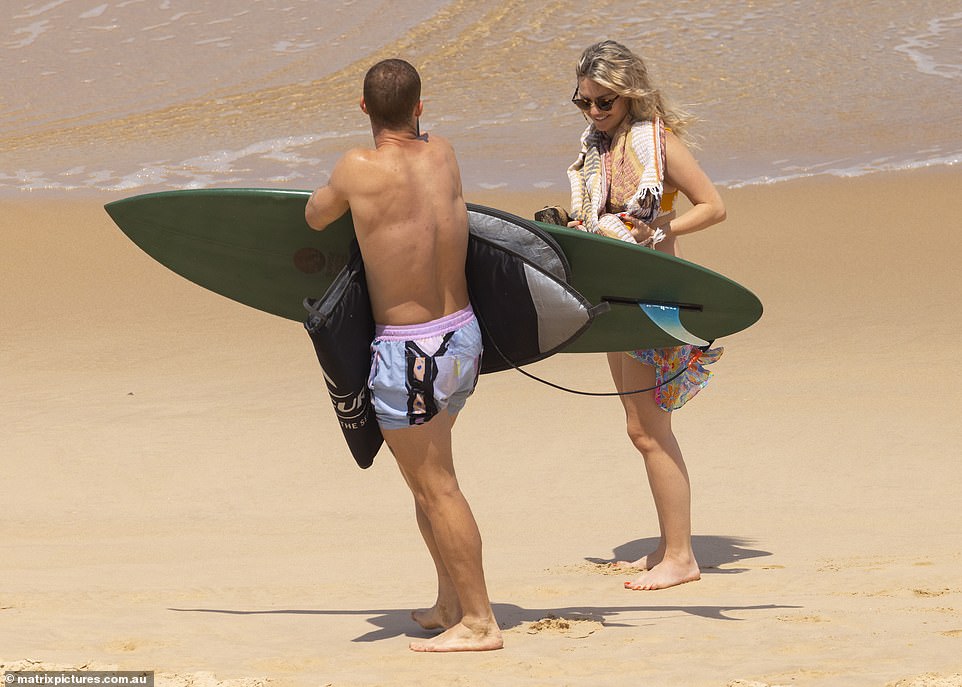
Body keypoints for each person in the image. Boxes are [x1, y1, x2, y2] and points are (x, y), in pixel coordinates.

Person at [304, 58, 502, 651]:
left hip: (411, 352)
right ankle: (449, 602)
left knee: (437, 485)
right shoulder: (444, 153)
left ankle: (479, 621)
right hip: (464, 337)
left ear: (363, 108)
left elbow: (316, 217)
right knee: (428, 481)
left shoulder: (356, 169)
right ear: (420, 106)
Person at [564, 41, 727, 591]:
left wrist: (662, 229)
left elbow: (713, 205)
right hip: (617, 295)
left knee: (649, 431)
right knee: (643, 428)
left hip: (653, 301)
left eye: (603, 102)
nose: (592, 113)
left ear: (628, 94)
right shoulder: (599, 146)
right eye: (582, 102)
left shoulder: (660, 144)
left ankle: (681, 557)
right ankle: (667, 546)